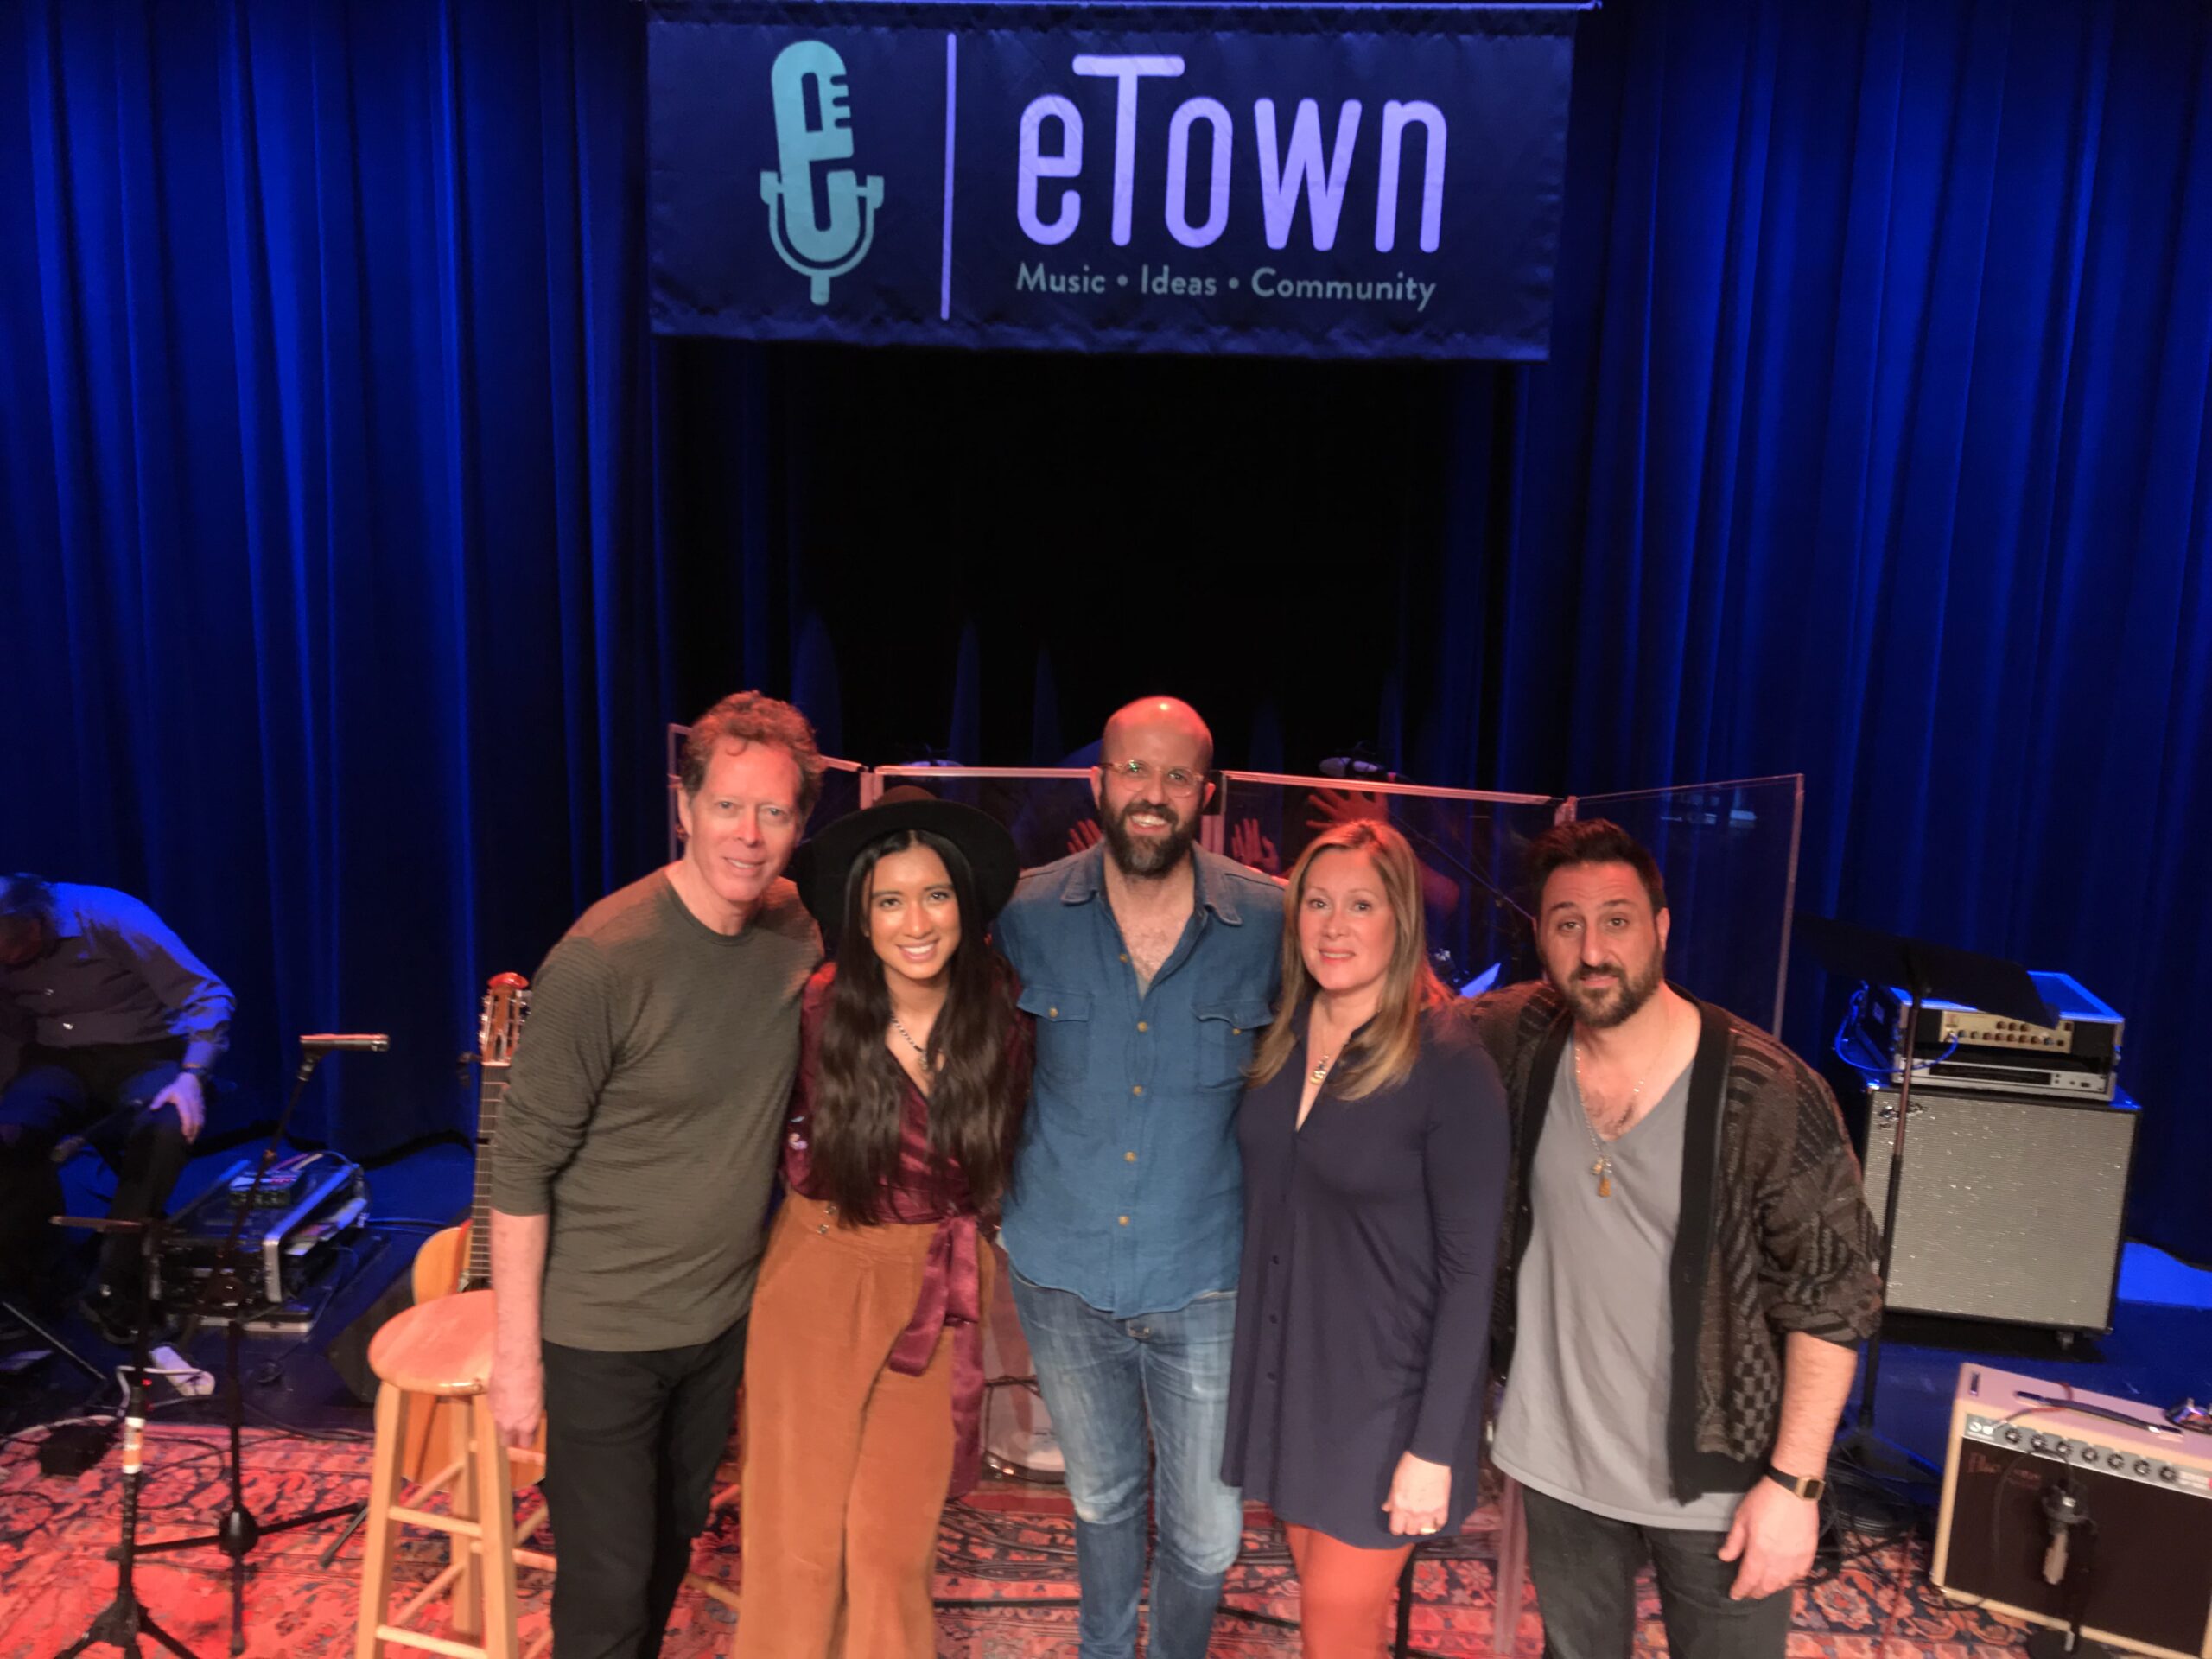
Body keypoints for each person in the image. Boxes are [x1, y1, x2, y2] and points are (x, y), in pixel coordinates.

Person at [1465, 819, 1883, 1659]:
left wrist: (1794, 1485)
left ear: (1660, 927)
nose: (1592, 951)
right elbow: (1401, 1022)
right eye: (1567, 923)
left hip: (1722, 1482)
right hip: (1559, 1467)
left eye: (1616, 920)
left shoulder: (1767, 1092)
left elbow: (1833, 1295)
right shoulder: (1518, 1041)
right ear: (1540, 938)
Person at [487, 691, 825, 1659]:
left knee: (670, 1552)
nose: (748, 836)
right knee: (607, 1594)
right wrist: (517, 1359)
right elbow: (520, 1164)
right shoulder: (603, 959)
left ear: (800, 824)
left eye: (773, 812)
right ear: (684, 806)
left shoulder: (797, 930)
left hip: (717, 1323)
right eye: (728, 806)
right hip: (600, 1335)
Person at [993, 695, 1285, 1659]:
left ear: (1207, 792)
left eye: (1176, 775)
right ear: (1097, 782)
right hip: (1062, 1271)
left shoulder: (1271, 921)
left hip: (1209, 1278)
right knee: (1102, 1498)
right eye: (1133, 770)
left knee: (1206, 1534)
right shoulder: (1024, 911)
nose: (1152, 793)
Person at [734, 787, 1030, 1659]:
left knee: (889, 1547)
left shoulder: (1002, 1015)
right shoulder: (818, 1011)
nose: (916, 922)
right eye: (889, 900)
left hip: (938, 1288)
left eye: (934, 895)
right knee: (798, 1541)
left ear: (964, 903)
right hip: (821, 1272)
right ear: (861, 918)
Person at [1223, 820, 1510, 1658]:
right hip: (1292, 1379)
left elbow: (1470, 1275)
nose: (1333, 926)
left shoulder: (1449, 1062)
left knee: (1334, 1624)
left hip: (1387, 1404)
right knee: (1330, 1615)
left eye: (1360, 905)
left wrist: (1434, 1448)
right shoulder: (1281, 1036)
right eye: (1316, 903)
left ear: (1402, 919)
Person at [0, 874, 233, 1341]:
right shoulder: (10, 950)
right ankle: (42, 1281)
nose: (8, 961)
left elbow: (208, 995)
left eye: (15, 947)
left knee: (164, 1126)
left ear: (37, 921)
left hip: (146, 1051)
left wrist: (192, 1077)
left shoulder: (109, 917)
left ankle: (115, 1280)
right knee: (9, 1134)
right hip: (59, 1058)